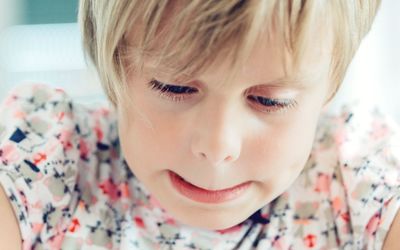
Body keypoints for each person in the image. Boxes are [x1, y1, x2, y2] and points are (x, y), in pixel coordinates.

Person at [1, 0, 399, 249]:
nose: (218, 145)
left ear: (329, 88)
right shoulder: (52, 158)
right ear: (114, 67)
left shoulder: (355, 180)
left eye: (269, 100)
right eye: (174, 87)